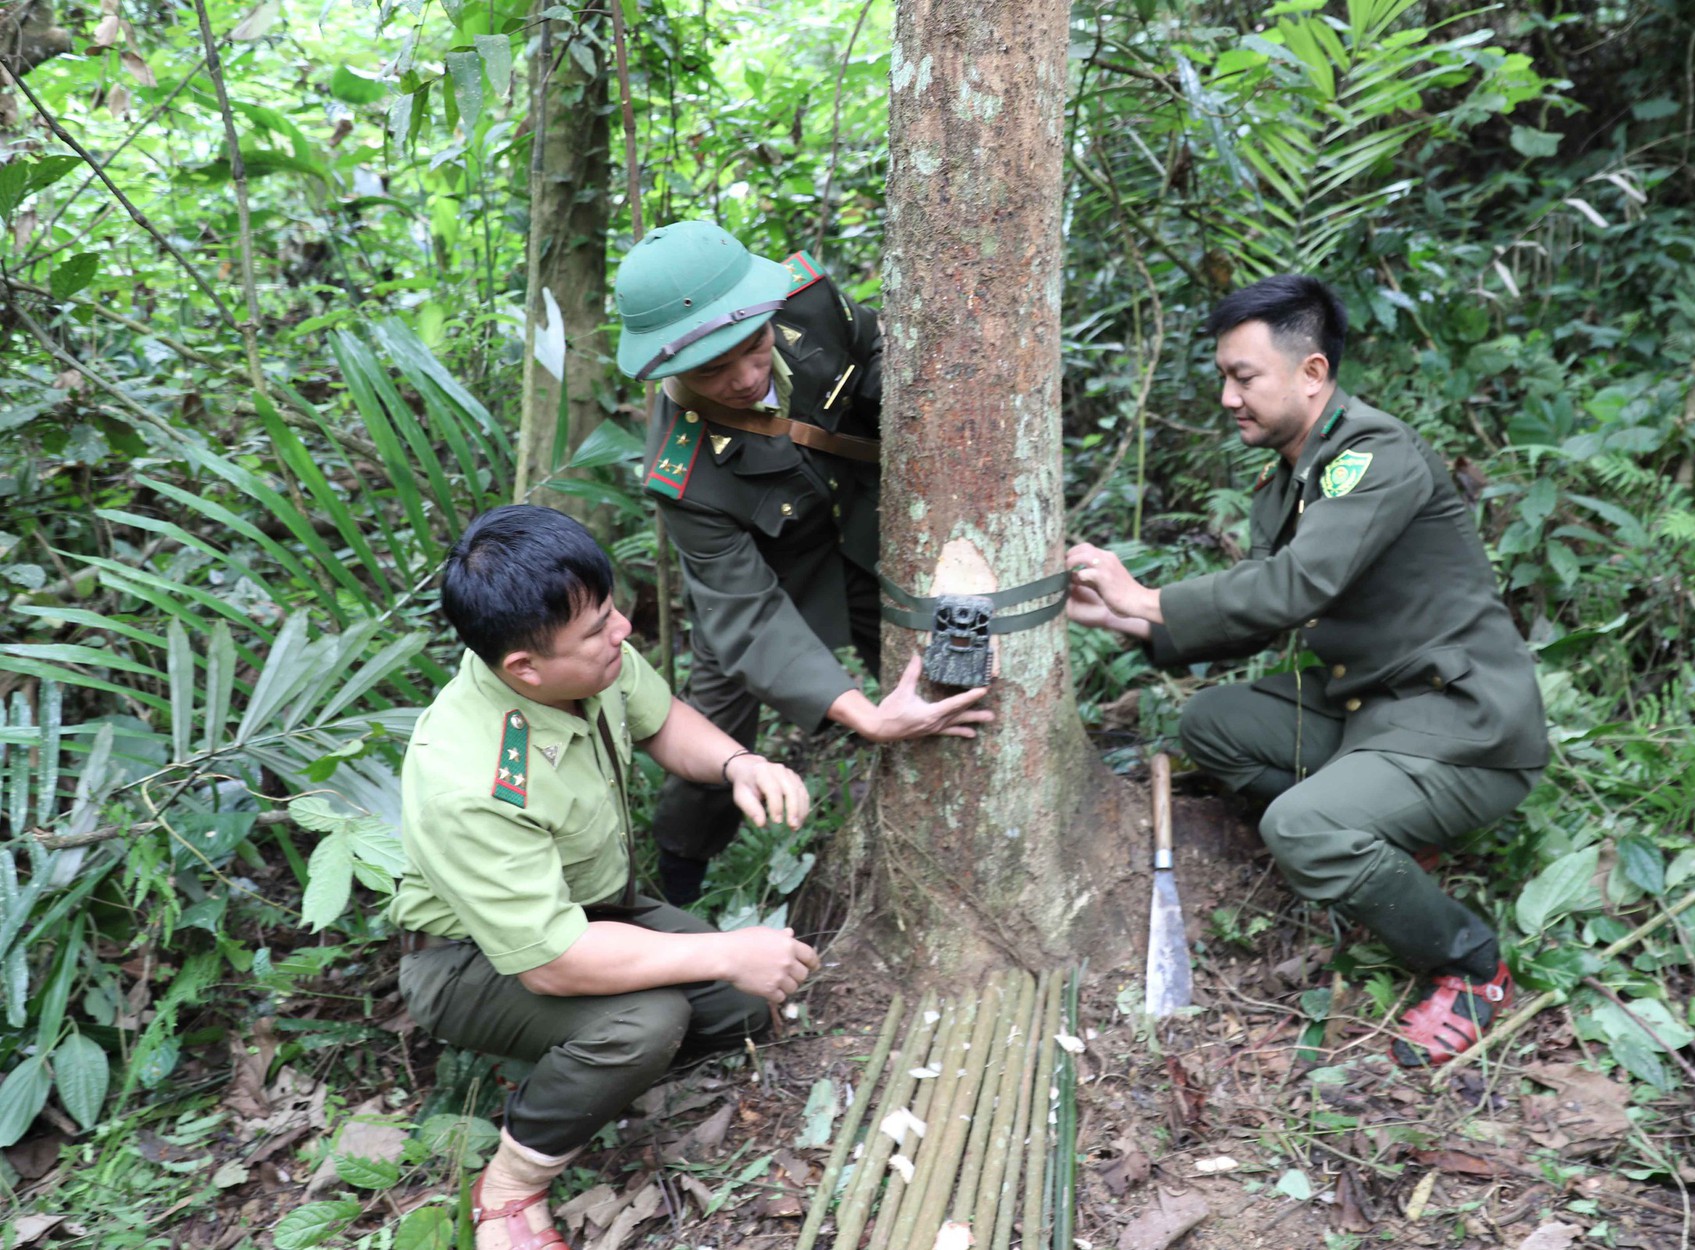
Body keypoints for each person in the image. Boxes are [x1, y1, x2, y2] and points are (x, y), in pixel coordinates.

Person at [1065, 275, 1549, 1066]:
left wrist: (1147, 593)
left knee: (1299, 826)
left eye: (1244, 376)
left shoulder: (1374, 454)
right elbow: (1267, 612)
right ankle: (1380, 836)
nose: (1228, 397)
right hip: (1372, 709)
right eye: (1223, 376)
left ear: (1313, 373)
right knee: (1210, 725)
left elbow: (1300, 584)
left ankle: (1470, 965)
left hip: (1463, 728)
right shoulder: (1289, 474)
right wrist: (1127, 618)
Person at [388, 504, 821, 1250]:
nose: (621, 630)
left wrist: (738, 763)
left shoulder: (585, 660)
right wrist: (725, 950)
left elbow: (660, 721)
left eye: (611, 609)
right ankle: (510, 1186)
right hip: (472, 958)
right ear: (524, 667)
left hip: (594, 914)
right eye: (597, 629)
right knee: (647, 1022)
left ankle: (577, 1061)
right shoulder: (468, 775)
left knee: (744, 1006)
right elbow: (554, 962)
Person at [612, 220, 993, 904]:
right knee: (717, 730)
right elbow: (749, 617)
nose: (746, 377)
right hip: (776, 574)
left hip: (874, 533)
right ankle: (680, 878)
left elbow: (873, 350)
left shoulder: (807, 299)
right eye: (711, 370)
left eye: (754, 348)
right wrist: (863, 716)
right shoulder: (683, 475)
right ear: (669, 368)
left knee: (940, 672)